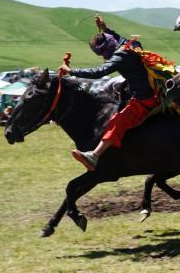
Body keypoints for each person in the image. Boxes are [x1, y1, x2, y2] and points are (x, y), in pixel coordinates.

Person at [59, 15, 161, 171]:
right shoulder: (131, 44)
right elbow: (117, 38)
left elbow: (100, 71)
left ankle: (94, 156)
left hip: (145, 97)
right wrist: (105, 29)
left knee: (117, 121)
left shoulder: (120, 56)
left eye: (103, 55)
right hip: (152, 88)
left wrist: (71, 71)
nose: (105, 58)